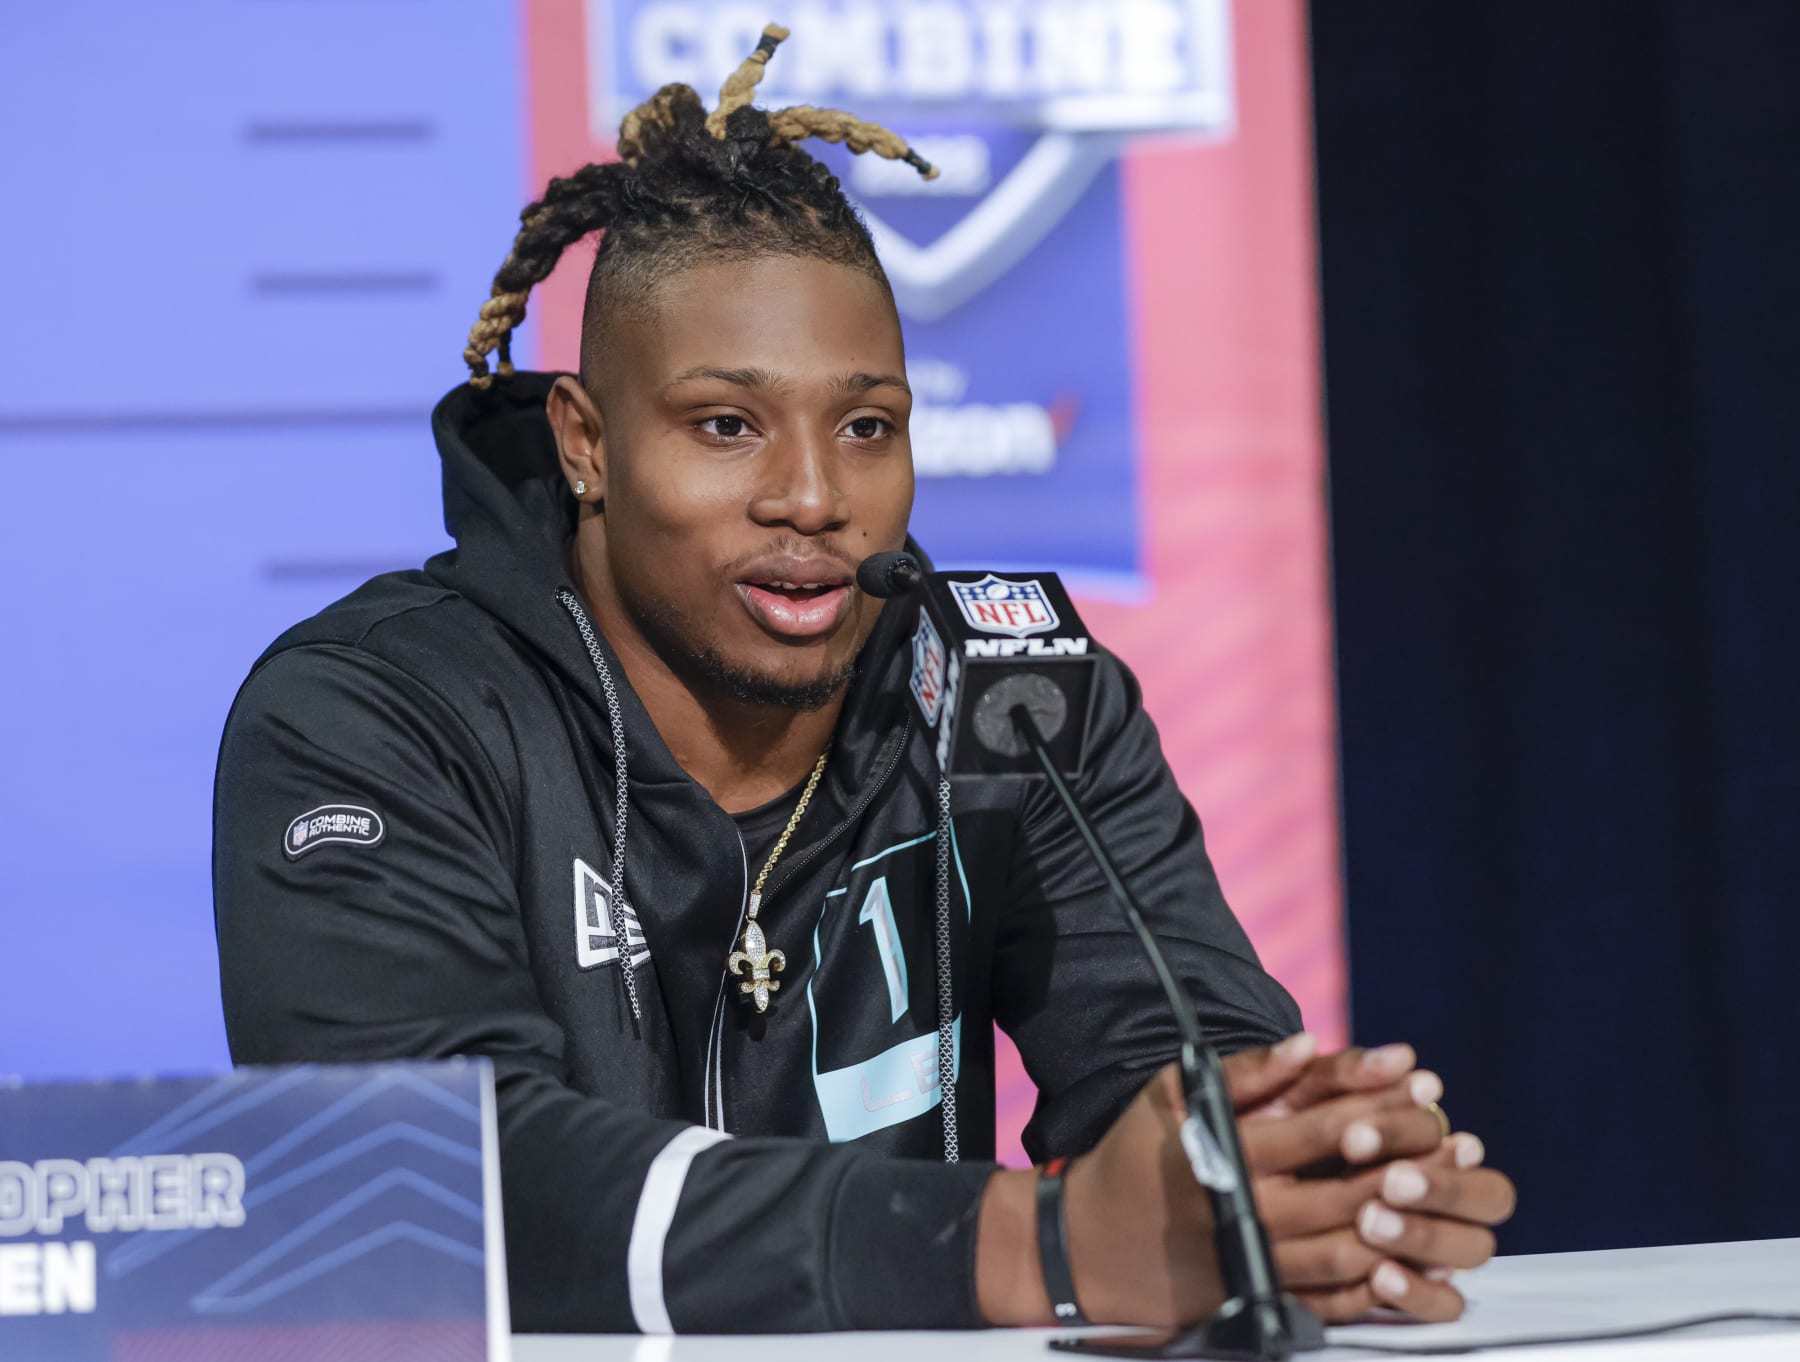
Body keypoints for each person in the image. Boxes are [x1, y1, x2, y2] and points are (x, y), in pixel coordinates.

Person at [212, 25, 1513, 1336]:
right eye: (726, 425)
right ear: (588, 445)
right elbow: (434, 1186)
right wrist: (1029, 1244)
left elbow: (1173, 1082)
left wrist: (1309, 1184)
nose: (816, 497)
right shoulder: (374, 719)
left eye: (868, 426)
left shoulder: (1011, 698)